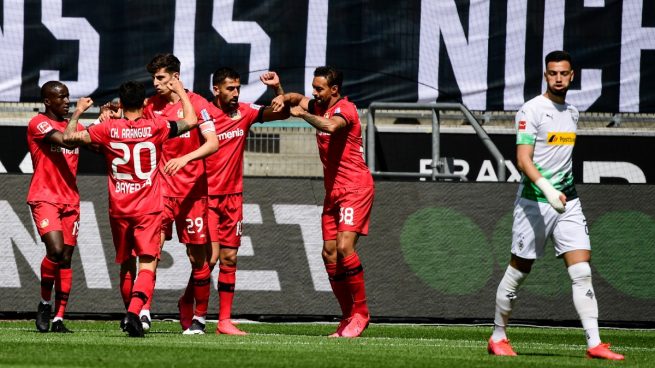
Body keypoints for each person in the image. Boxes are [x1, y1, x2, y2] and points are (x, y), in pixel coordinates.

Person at [487, 50, 624, 360]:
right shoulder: (531, 110)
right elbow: (523, 160)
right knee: (519, 270)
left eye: (564, 73)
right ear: (545, 75)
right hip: (535, 202)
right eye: (552, 73)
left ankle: (594, 343)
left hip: (568, 202)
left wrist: (559, 194)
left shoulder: (573, 113)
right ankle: (498, 336)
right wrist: (548, 190)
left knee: (582, 271)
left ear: (572, 76)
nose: (558, 78)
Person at [62, 79, 199, 337]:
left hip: (120, 208)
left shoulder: (107, 129)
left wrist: (78, 112)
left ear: (121, 103)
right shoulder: (156, 126)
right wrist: (180, 91)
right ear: (145, 103)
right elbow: (191, 120)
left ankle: (131, 314)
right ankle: (135, 312)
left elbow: (69, 138)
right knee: (148, 263)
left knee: (126, 265)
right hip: (149, 207)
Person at [270, 66, 374, 338]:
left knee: (344, 247)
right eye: (313, 88)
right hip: (334, 193)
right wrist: (279, 92)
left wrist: (303, 114)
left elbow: (330, 125)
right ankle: (347, 316)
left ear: (334, 90)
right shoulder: (318, 104)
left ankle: (362, 313)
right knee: (328, 253)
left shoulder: (345, 110)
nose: (314, 93)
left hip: (355, 188)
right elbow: (294, 97)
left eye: (319, 89)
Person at [200, 67, 288, 335]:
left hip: (233, 198)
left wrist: (278, 90)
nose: (236, 93)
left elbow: (283, 113)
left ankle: (224, 321)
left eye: (238, 88)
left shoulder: (245, 112)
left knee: (229, 257)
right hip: (206, 197)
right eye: (230, 88)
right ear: (216, 89)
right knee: (209, 260)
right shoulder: (203, 115)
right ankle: (194, 312)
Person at [140, 53, 218, 335]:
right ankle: (143, 311)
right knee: (151, 251)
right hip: (160, 192)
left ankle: (199, 318)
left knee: (198, 258)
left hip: (193, 194)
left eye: (161, 78)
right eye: (154, 78)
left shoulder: (199, 104)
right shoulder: (151, 106)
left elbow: (212, 143)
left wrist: (187, 159)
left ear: (175, 77)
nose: (156, 83)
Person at [27, 81, 87, 333]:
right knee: (55, 250)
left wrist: (108, 122)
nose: (66, 101)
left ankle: (59, 318)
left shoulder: (75, 125)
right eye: (61, 97)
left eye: (68, 97)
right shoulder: (38, 123)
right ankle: (44, 304)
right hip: (45, 197)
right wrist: (78, 113)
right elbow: (67, 141)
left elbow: (96, 143)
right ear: (47, 101)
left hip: (70, 199)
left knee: (66, 258)